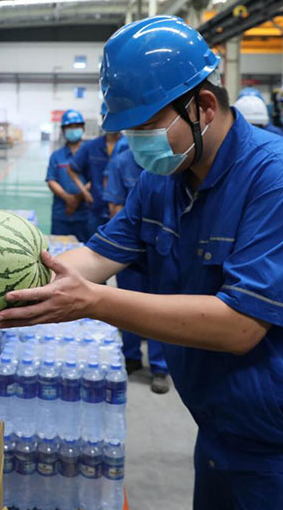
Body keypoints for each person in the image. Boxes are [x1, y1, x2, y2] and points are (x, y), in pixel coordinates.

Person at [0, 16, 283, 510]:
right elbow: (100, 254)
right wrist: (11, 283)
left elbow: (240, 327)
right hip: (222, 428)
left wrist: (93, 302)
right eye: (128, 129)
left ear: (204, 106)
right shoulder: (165, 177)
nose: (137, 142)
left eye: (148, 125)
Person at [103, 145, 170, 393]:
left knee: (160, 310)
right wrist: (130, 240)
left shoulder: (170, 163)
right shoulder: (122, 162)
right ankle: (130, 356)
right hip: (130, 249)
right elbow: (115, 206)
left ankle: (160, 367)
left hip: (162, 248)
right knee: (126, 306)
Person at [68, 113, 121, 236]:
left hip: (121, 211)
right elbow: (71, 169)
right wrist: (85, 192)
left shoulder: (128, 147)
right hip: (96, 208)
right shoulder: (92, 146)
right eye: (106, 117)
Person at [45, 109, 89, 241]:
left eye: (76, 126)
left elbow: (95, 179)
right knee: (58, 249)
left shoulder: (91, 153)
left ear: (82, 128)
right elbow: (51, 180)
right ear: (63, 130)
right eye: (69, 127)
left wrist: (78, 198)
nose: (73, 129)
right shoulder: (56, 156)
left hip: (85, 213)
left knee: (85, 251)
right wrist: (67, 198)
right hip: (62, 213)